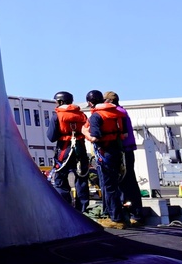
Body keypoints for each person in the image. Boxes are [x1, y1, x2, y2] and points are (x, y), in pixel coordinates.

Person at [83, 89, 126, 228]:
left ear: (90, 103)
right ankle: (114, 214)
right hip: (117, 151)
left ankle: (116, 218)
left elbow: (95, 137)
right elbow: (123, 134)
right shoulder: (117, 114)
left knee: (108, 186)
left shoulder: (96, 116)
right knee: (114, 184)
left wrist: (84, 132)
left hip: (104, 152)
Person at [46, 90, 89, 213]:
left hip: (64, 151)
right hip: (80, 149)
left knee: (60, 180)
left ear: (60, 102)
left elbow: (51, 137)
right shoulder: (82, 115)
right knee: (81, 178)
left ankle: (66, 208)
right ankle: (82, 209)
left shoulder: (57, 116)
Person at [105, 91, 142, 226]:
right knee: (128, 181)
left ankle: (134, 214)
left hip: (122, 152)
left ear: (108, 101)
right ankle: (134, 213)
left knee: (125, 182)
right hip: (127, 150)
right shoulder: (122, 111)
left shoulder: (116, 113)